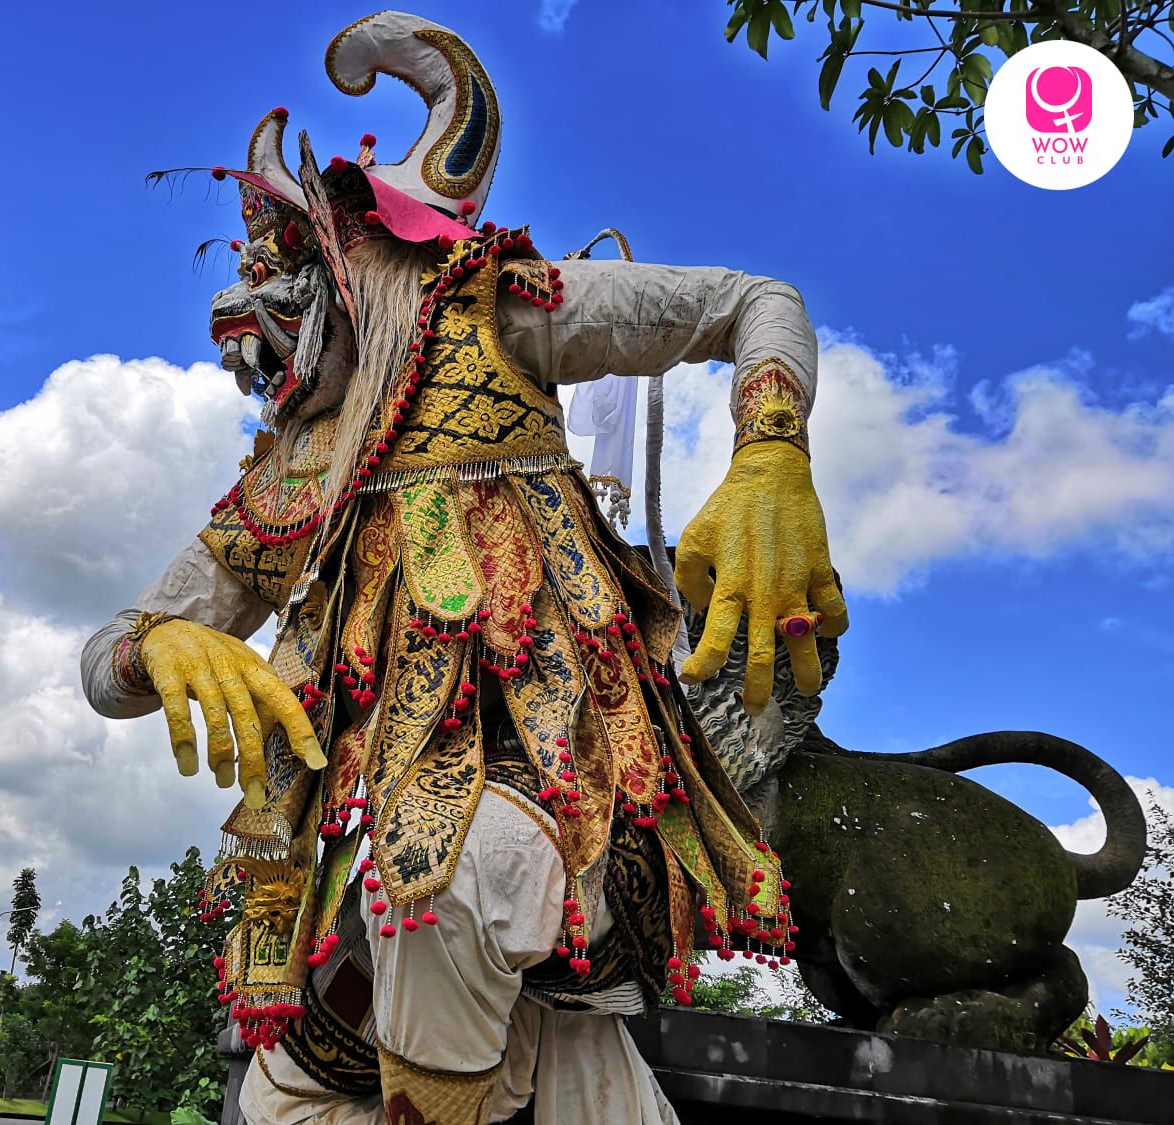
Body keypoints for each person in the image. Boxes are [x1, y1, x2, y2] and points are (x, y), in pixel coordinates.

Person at [82, 11, 847, 1123]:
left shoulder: (499, 307)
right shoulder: (290, 475)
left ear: (367, 255)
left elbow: (755, 302)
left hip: (558, 804)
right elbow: (107, 658)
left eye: (286, 270)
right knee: (382, 961)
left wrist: (772, 458)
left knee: (456, 869)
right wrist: (160, 645)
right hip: (359, 889)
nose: (244, 308)